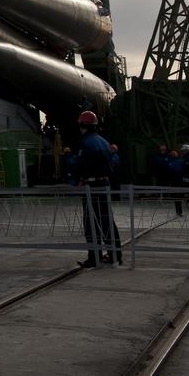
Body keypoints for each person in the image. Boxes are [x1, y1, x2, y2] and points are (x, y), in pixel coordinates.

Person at [75, 110, 121, 267]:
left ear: (82, 125)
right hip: (104, 185)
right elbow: (113, 163)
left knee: (91, 223)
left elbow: (80, 165)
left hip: (91, 187)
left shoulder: (86, 143)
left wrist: (79, 180)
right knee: (107, 220)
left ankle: (95, 257)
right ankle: (115, 255)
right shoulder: (104, 142)